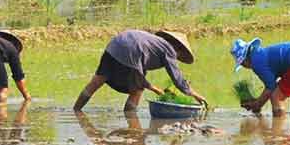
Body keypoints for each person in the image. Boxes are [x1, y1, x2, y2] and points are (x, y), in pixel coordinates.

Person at [73, 29, 204, 112]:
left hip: (115, 45)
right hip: (132, 50)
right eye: (179, 55)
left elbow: (139, 75)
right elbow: (177, 78)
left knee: (97, 81)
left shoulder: (153, 44)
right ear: (178, 49)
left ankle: (76, 111)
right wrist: (193, 94)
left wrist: (154, 89)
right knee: (137, 90)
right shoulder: (169, 49)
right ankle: (131, 123)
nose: (177, 58)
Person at [231, 38, 290, 117]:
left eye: (242, 64)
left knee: (276, 98)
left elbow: (271, 87)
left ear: (245, 60)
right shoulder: (261, 53)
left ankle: (277, 133)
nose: (244, 67)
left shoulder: (256, 62)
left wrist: (257, 104)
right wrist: (258, 103)